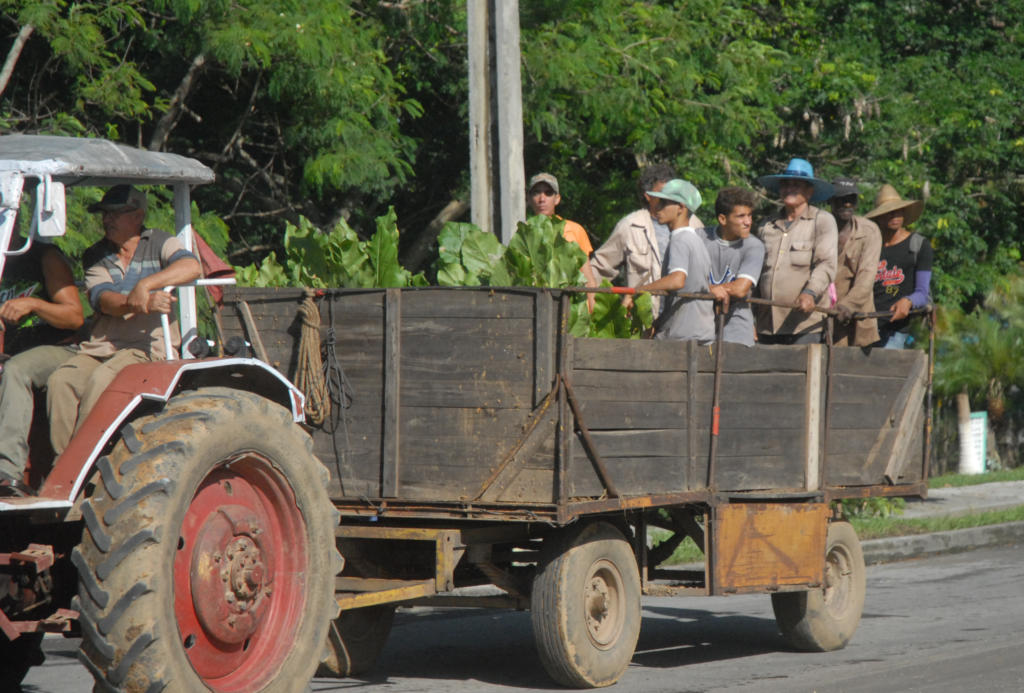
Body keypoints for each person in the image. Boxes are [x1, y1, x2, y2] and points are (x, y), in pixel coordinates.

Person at [0, 185, 200, 497]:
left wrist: (147, 284)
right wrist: (141, 302)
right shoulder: (97, 254)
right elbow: (103, 300)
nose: (107, 220)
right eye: (105, 213)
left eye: (115, 213)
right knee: (62, 381)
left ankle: (82, 477)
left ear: (137, 215)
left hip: (147, 346)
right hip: (103, 343)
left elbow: (191, 266)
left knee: (100, 382)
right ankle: (65, 473)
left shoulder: (160, 241)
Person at [0, 238, 85, 496]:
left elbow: (74, 317)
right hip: (15, 349)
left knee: (16, 370)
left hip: (60, 348)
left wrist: (35, 304)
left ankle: (6, 473)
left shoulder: (44, 257)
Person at [587, 164, 703, 316]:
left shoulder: (695, 226)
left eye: (672, 194)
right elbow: (599, 268)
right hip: (643, 320)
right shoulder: (630, 226)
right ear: (647, 196)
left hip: (681, 320)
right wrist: (591, 304)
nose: (667, 198)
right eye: (662, 194)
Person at [754, 158, 837, 345]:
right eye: (785, 184)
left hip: (804, 325)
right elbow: (757, 272)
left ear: (809, 191)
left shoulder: (822, 221)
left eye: (796, 185)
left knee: (803, 372)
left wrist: (810, 293)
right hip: (767, 323)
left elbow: (826, 264)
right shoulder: (766, 225)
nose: (789, 188)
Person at [635, 179, 714, 344]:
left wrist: (641, 290)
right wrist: (659, 322)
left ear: (680, 208)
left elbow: (677, 280)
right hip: (700, 332)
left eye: (664, 203)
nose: (657, 207)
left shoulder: (680, 239)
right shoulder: (697, 240)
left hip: (683, 336)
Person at [867, 184, 932, 349]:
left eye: (898, 211)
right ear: (879, 217)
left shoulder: (918, 245)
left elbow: (923, 293)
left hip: (897, 331)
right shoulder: (870, 246)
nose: (894, 216)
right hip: (866, 325)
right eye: (888, 212)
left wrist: (908, 301)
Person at [701, 187, 765, 346]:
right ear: (723, 219)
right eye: (741, 216)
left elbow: (740, 289)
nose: (748, 222)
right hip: (700, 326)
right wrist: (711, 290)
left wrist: (706, 289)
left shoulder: (754, 246)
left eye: (750, 215)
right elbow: (683, 280)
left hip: (736, 330)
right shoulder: (699, 238)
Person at [829, 177, 881, 347]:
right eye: (842, 200)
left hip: (857, 313)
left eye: (851, 200)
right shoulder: (820, 228)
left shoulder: (869, 231)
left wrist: (847, 305)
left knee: (851, 366)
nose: (847, 205)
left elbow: (867, 275)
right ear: (831, 201)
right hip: (823, 311)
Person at [527, 173, 598, 285]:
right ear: (529, 199)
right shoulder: (524, 234)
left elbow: (588, 279)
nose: (542, 199)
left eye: (548, 193)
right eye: (536, 193)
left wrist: (592, 302)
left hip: (571, 299)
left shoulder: (574, 229)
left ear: (557, 199)